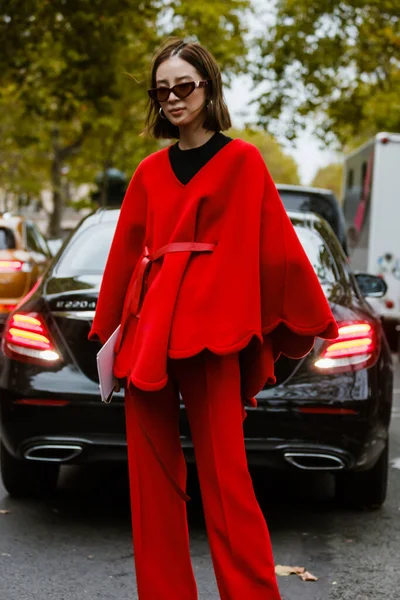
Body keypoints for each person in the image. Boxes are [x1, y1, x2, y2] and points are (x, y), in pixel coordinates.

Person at [89, 38, 338, 600]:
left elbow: (273, 249)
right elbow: (126, 253)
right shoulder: (149, 172)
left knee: (229, 482)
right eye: (162, 90)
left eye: (184, 86)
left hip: (216, 334)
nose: (173, 99)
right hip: (151, 333)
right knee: (151, 485)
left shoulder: (244, 160)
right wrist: (107, 333)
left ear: (208, 87)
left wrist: (303, 319)